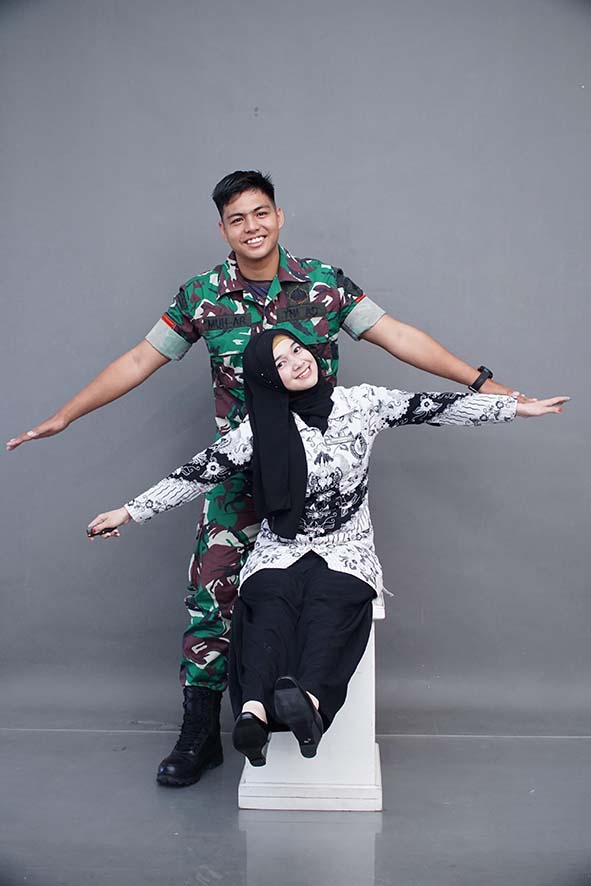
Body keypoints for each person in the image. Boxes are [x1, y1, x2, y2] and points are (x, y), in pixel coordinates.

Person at [7, 169, 531, 788]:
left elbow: (397, 336)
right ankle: (201, 733)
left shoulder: (324, 284)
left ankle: (299, 702)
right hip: (239, 470)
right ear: (223, 230)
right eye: (237, 219)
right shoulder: (202, 296)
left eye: (261, 213)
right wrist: (66, 415)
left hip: (315, 475)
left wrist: (482, 384)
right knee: (212, 597)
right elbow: (140, 359)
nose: (252, 227)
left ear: (279, 216)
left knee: (315, 595)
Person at [87, 330, 568, 765]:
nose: (296, 362)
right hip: (281, 545)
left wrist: (516, 407)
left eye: (297, 350)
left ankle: (309, 706)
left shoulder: (363, 403)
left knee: (331, 600)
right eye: (280, 363)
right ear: (266, 378)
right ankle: (253, 713)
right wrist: (128, 512)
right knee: (267, 599)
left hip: (347, 544)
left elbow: (435, 407)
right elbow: (197, 473)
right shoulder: (258, 429)